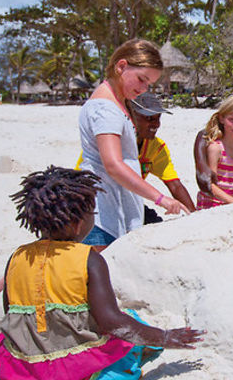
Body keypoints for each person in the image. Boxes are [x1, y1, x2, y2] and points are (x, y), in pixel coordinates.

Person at [0, 166, 203, 380]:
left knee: (1, 346)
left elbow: (13, 316)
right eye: (91, 213)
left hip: (22, 365)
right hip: (68, 366)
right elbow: (112, 322)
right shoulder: (89, 260)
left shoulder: (17, 256)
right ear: (76, 223)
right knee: (131, 331)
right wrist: (165, 337)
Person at [79, 39, 189, 249]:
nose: (144, 88)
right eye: (141, 79)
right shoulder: (106, 109)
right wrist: (160, 199)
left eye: (149, 84)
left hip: (113, 211)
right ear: (121, 67)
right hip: (103, 216)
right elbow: (113, 165)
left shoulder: (115, 102)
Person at [76, 91, 196, 223]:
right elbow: (80, 181)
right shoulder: (109, 142)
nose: (156, 124)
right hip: (97, 203)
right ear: (130, 116)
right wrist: (161, 199)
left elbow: (174, 185)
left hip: (128, 203)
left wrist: (194, 216)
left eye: (158, 118)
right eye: (149, 118)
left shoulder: (156, 147)